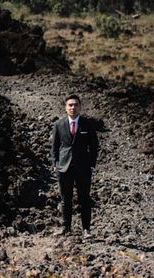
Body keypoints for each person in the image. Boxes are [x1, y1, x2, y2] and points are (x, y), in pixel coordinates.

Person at [50, 94, 100, 238]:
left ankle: (86, 230)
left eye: (76, 105)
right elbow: (55, 147)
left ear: (80, 107)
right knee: (66, 199)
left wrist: (91, 165)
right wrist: (56, 164)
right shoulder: (58, 125)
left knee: (84, 198)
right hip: (64, 167)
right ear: (66, 108)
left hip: (83, 168)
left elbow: (94, 146)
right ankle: (66, 227)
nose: (73, 107)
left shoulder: (87, 124)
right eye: (70, 105)